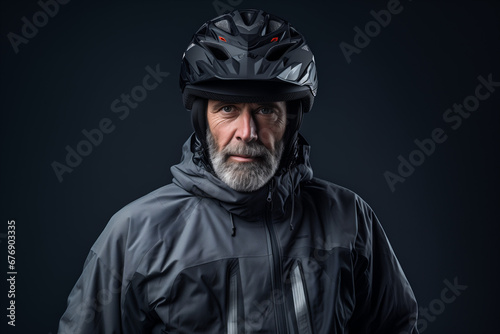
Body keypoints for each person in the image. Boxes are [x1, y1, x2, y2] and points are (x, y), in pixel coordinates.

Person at [58, 9, 418, 334]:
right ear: (202, 120)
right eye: (228, 108)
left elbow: (397, 327)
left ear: (289, 122)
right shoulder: (136, 235)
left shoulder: (349, 218)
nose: (247, 132)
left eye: (265, 110)